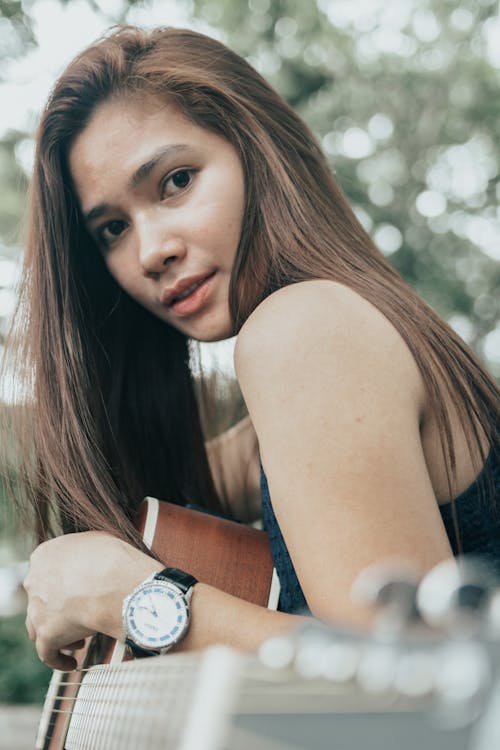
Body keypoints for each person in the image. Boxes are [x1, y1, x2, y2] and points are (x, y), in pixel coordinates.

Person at [2, 26, 498, 672]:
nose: (151, 251)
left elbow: (415, 684)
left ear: (259, 153)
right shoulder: (335, 340)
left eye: (176, 180)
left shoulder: (302, 330)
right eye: (112, 228)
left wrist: (131, 598)